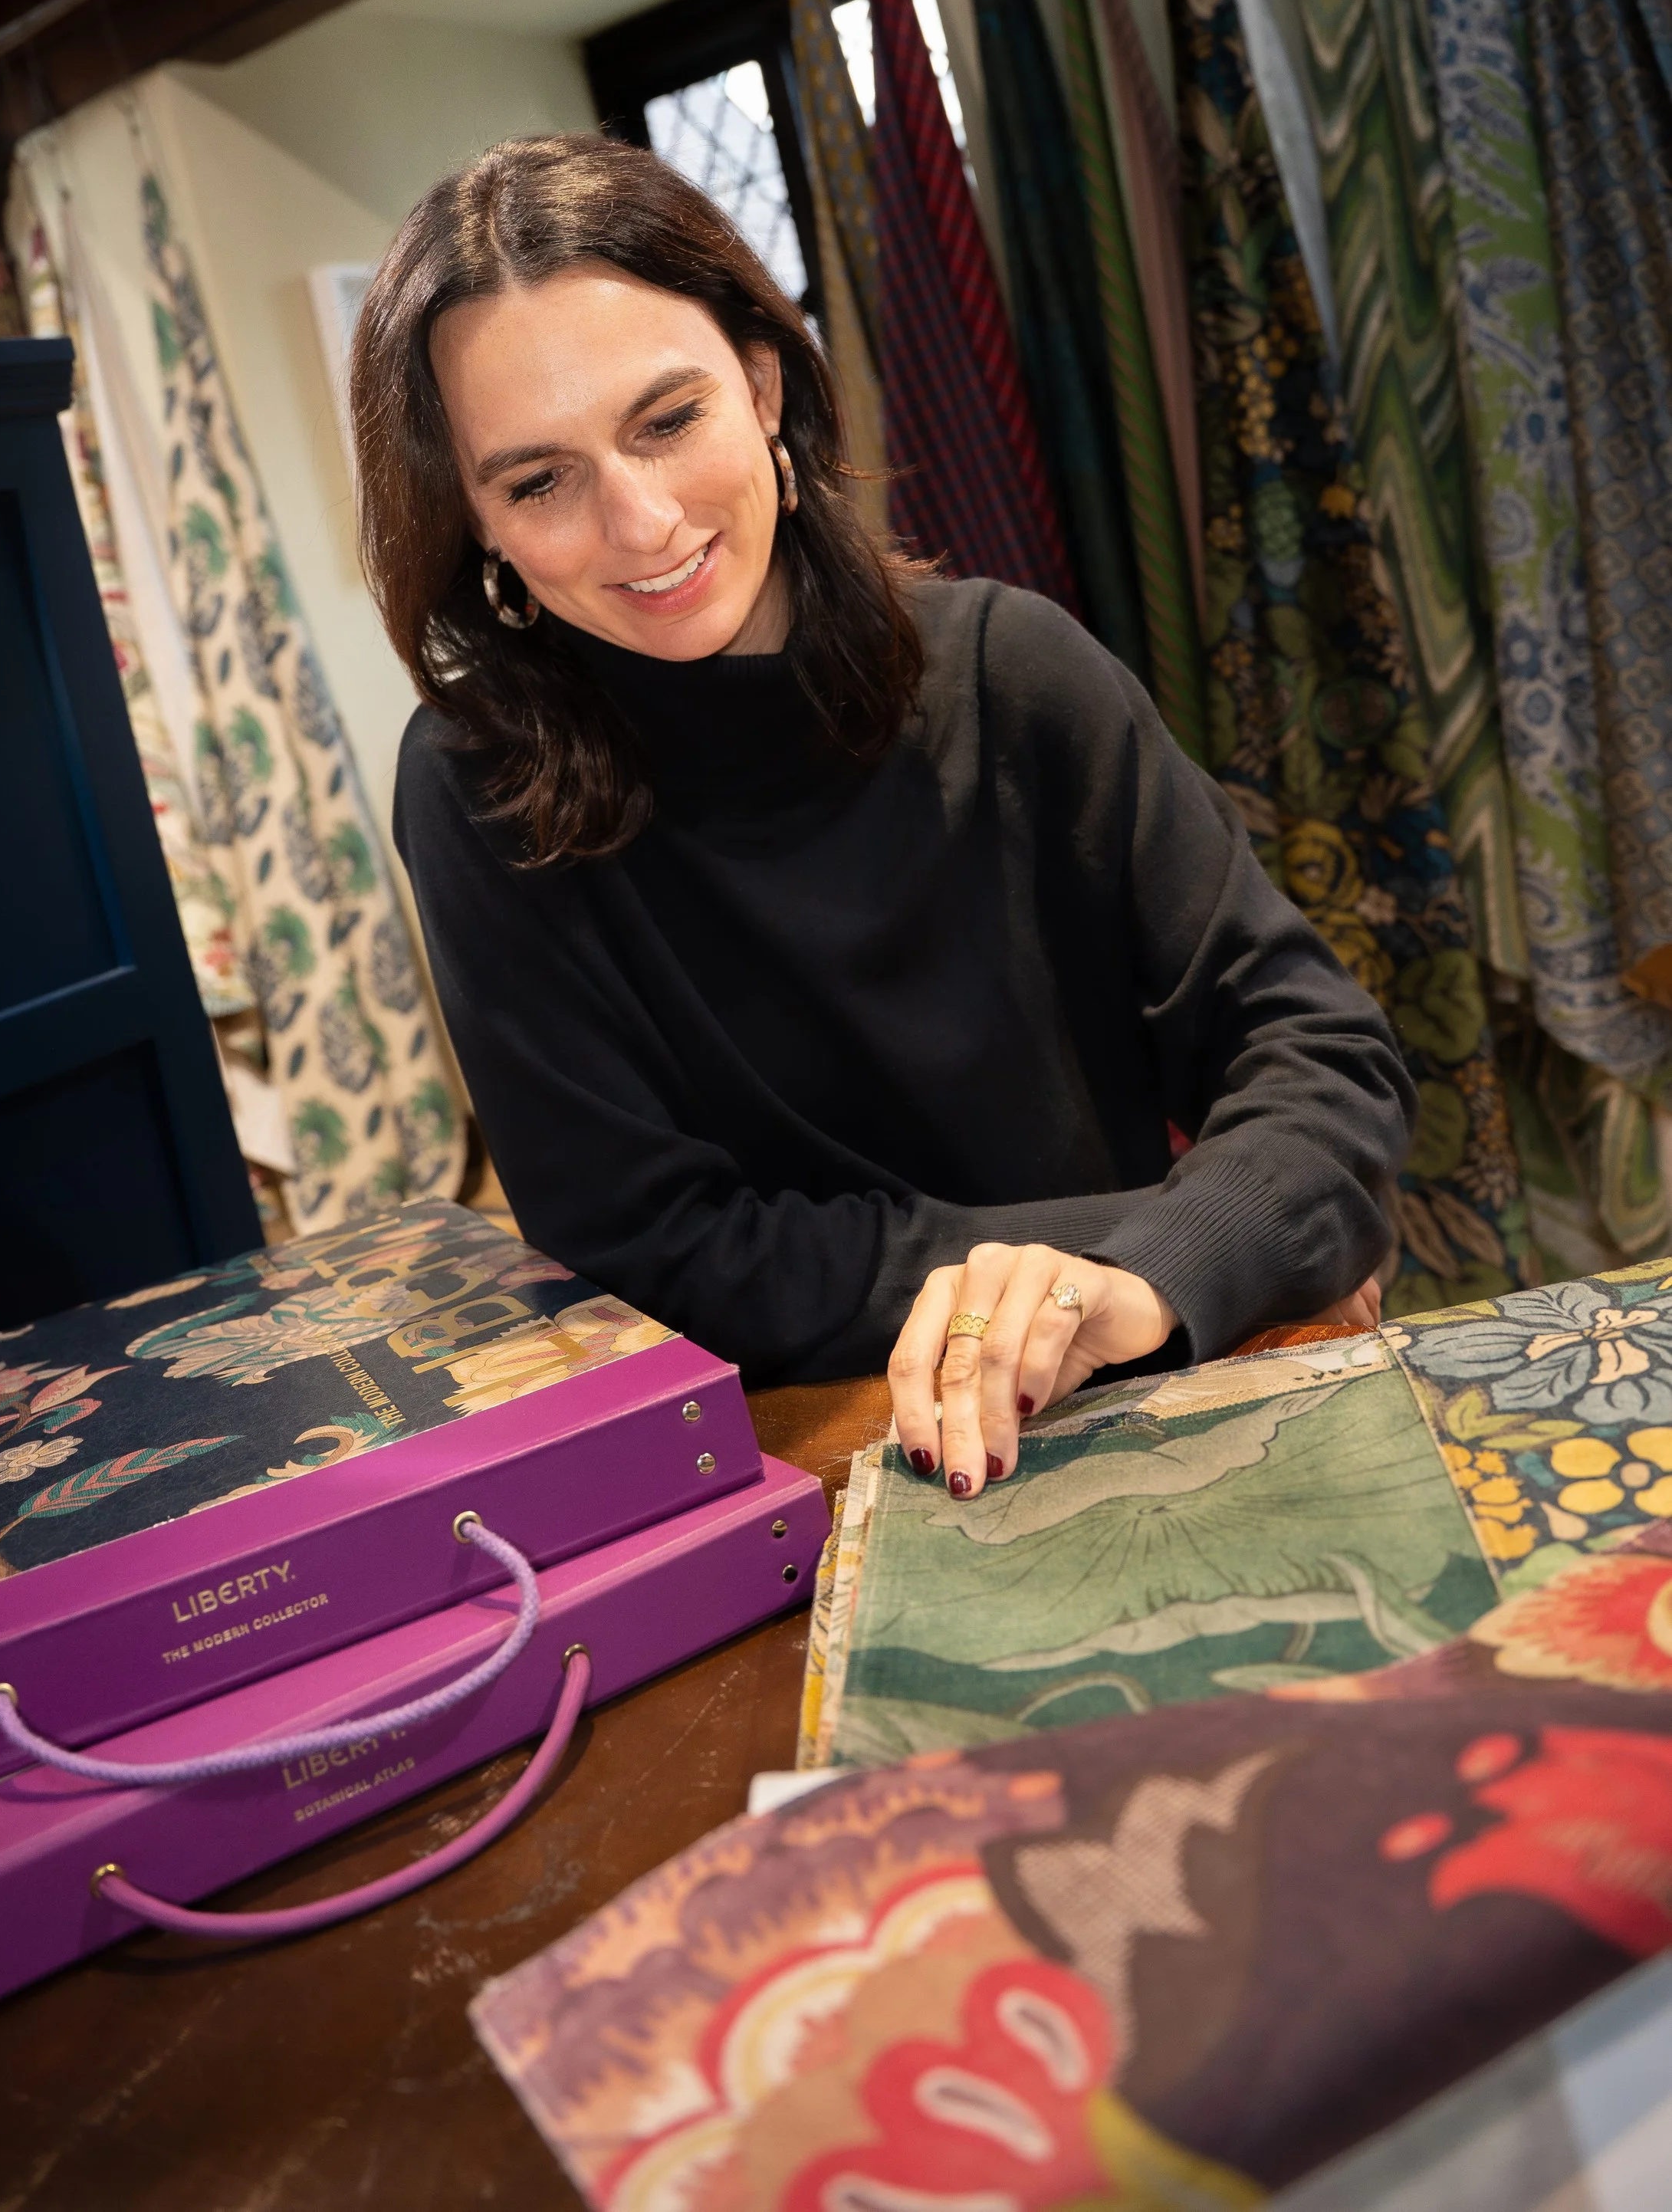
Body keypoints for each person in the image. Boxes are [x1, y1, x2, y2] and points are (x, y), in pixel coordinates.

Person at [354, 134, 1408, 1500]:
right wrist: (1136, 1251)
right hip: (803, 1466)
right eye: (538, 481)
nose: (641, 519)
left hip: (1147, 1406)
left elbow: (1325, 1051)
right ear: (478, 522)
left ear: (765, 382)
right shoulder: (476, 789)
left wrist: (1142, 1284)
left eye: (667, 419)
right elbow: (650, 1254)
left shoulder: (1014, 671)